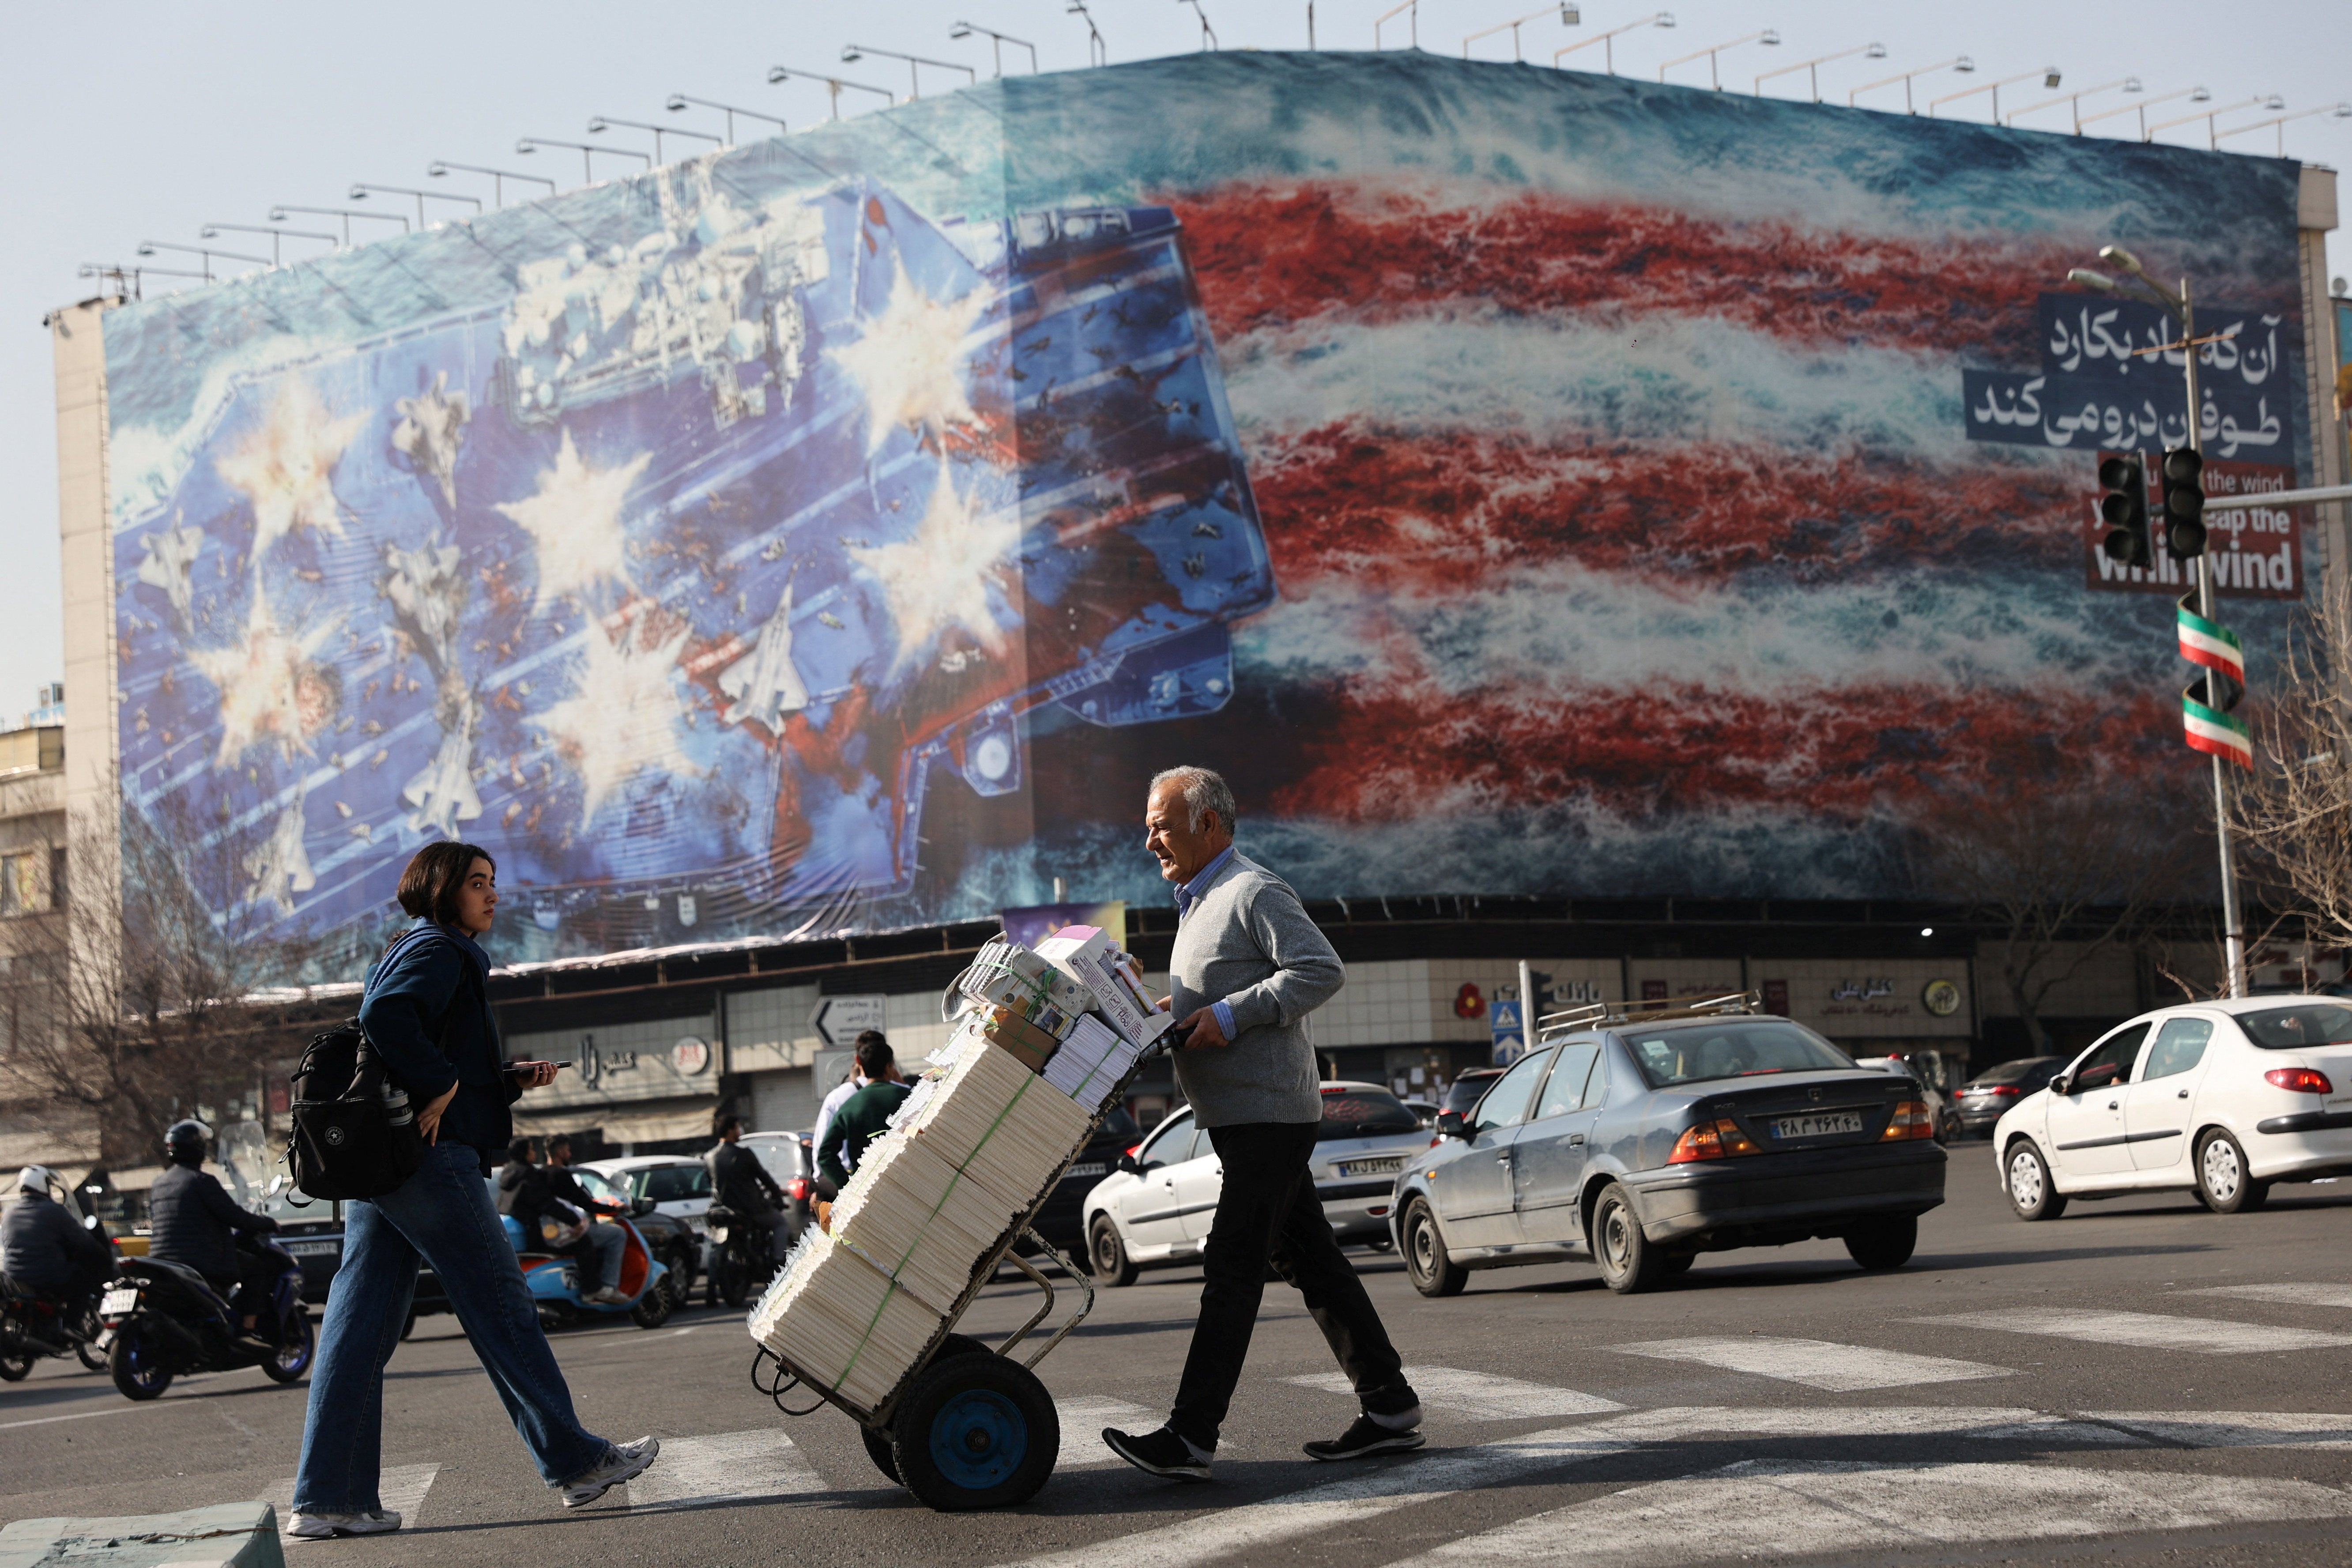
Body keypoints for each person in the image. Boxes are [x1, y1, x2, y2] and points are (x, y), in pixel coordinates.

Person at [290, 842, 658, 1540]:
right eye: (478, 884)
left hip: (388, 1163)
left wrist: (498, 1077)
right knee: (501, 1301)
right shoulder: (439, 950)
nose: (493, 896)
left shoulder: (420, 946)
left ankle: (328, 1499)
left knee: (359, 1326)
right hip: (428, 1160)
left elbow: (411, 1031)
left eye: (493, 882)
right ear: (442, 890)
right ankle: (576, 1462)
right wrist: (444, 1082)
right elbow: (387, 1020)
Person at [1103, 766, 1422, 1482]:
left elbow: (1319, 969)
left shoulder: (1252, 888)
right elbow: (1211, 993)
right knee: (1311, 1261)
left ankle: (1190, 1435)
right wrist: (1157, 1010)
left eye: (1160, 821)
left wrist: (1228, 1015)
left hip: (1270, 1114)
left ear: (1208, 823)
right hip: (1241, 1116)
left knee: (1231, 1264)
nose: (1147, 835)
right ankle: (1390, 1407)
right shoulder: (1196, 903)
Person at [147, 1121, 280, 1339]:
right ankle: (249, 1327)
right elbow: (234, 1216)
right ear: (198, 1149)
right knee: (256, 1268)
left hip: (163, 1260)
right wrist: (269, 1224)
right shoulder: (202, 1181)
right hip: (201, 1260)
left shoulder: (159, 1183)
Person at [496, 1137, 626, 1304]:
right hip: (539, 1232)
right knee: (585, 1242)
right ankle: (594, 1290)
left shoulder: (511, 1174)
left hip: (526, 1230)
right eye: (531, 1150)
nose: (534, 1153)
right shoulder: (530, 1175)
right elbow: (548, 1203)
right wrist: (575, 1221)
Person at [2, 1166, 113, 1311]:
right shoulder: (54, 1210)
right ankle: (72, 1324)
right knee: (83, 1282)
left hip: (14, 1280)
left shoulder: (9, 1213)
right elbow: (83, 1241)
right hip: (47, 1279)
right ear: (42, 1184)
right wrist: (101, 1253)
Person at [814, 1035, 908, 1192]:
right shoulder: (908, 1097)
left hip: (868, 1191)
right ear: (890, 1066)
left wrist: (849, 1187)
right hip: (911, 1182)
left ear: (859, 1063)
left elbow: (825, 1154)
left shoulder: (849, 1106)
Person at [706, 1113, 792, 1264]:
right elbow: (764, 1178)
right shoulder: (744, 1154)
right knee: (780, 1223)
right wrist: (777, 1195)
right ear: (731, 1130)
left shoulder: (708, 1157)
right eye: (738, 1128)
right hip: (750, 1210)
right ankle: (778, 1262)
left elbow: (712, 1183)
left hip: (722, 1210)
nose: (740, 1131)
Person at [809, 1034, 879, 1201]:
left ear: (858, 1059)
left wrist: (828, 1186)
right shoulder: (902, 1093)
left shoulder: (839, 1097)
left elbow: (822, 1150)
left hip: (849, 1179)